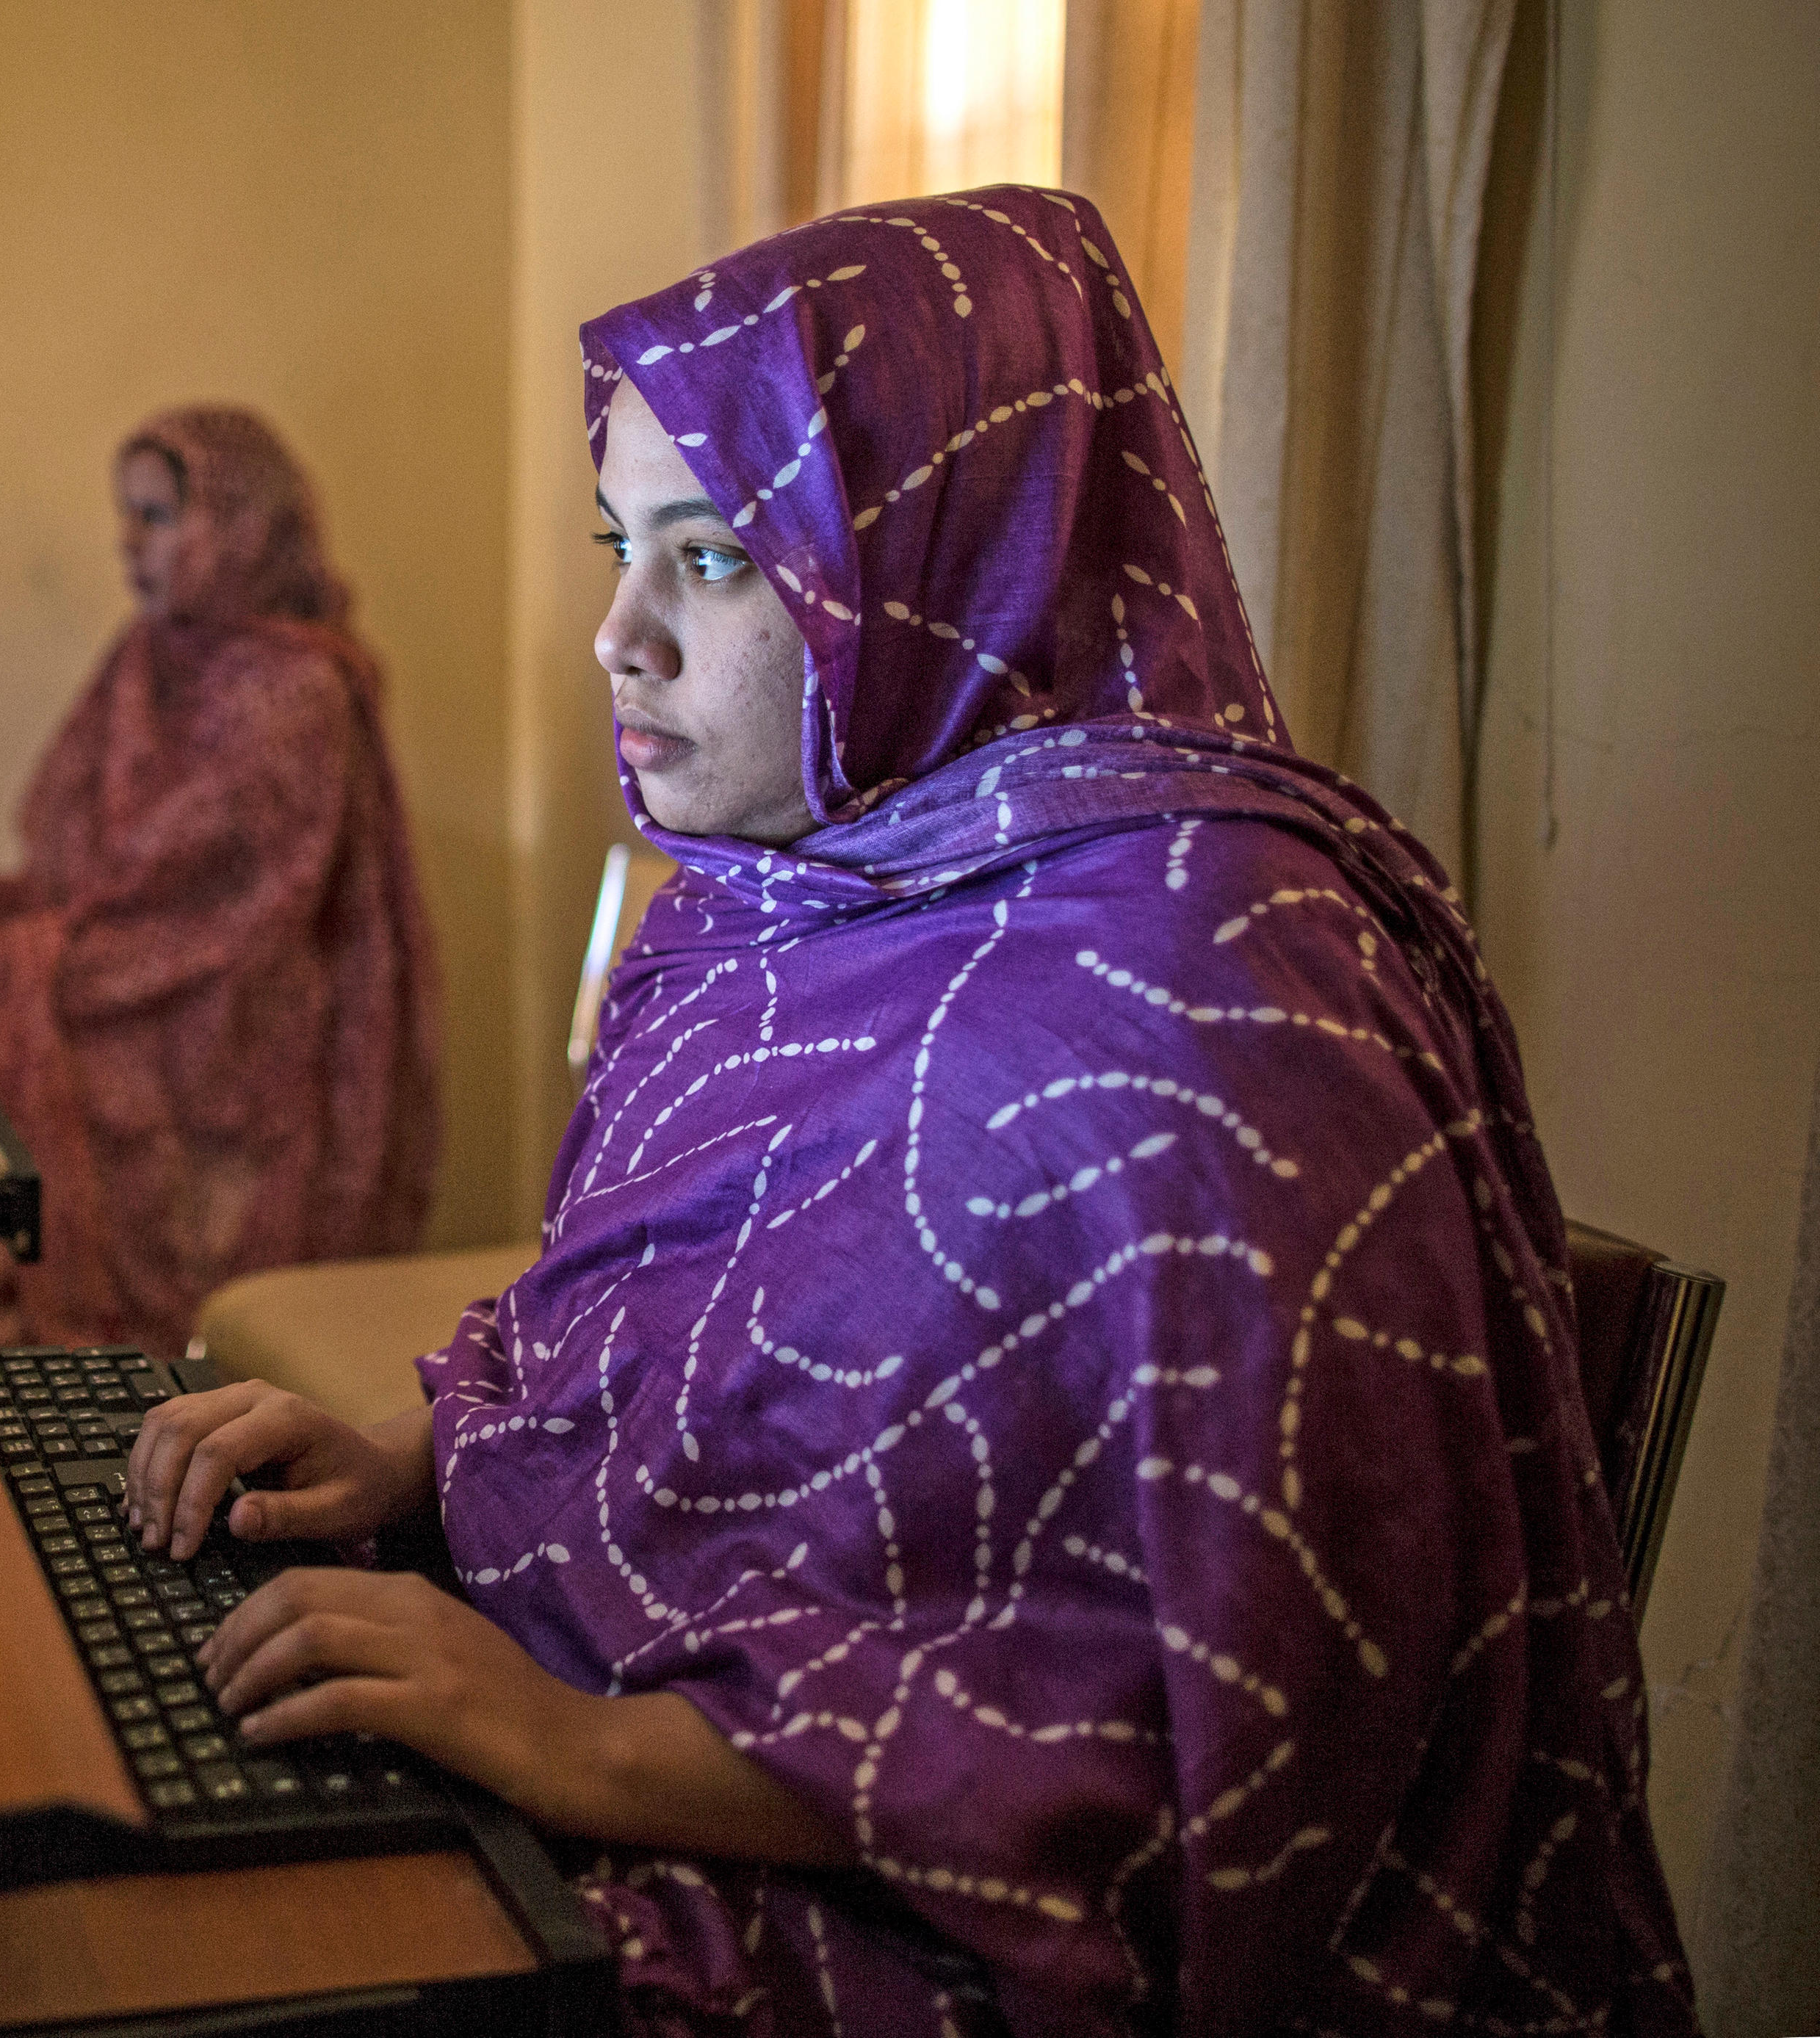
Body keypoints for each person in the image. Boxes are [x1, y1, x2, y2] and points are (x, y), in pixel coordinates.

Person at [123, 192, 1693, 2033]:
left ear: (953, 545)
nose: (618, 635)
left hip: (919, 1940)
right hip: (599, 1723)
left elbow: (1184, 1719)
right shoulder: (767, 897)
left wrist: (571, 1747)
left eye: (711, 559)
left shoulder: (1199, 1011)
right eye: (620, 544)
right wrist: (418, 1455)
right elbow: (663, 1346)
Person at [0, 407, 440, 1356]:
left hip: (219, 1086)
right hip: (122, 1039)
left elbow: (187, 931)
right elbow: (90, 882)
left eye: (157, 517)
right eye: (128, 516)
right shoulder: (148, 657)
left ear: (240, 523)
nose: (128, 543)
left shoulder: (296, 696)